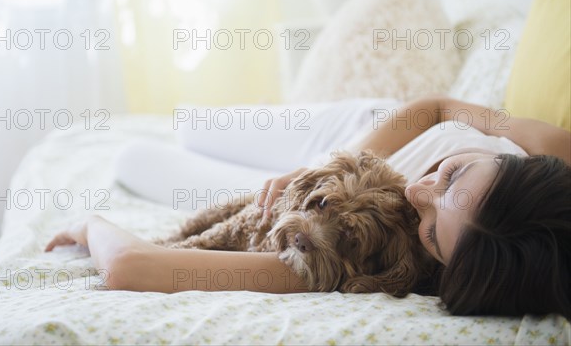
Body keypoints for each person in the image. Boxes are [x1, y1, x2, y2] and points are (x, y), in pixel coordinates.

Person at [44, 95, 571, 319]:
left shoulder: (372, 258)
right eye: (453, 173)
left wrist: (90, 223)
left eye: (433, 230)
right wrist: (334, 165)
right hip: (358, 136)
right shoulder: (555, 155)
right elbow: (436, 108)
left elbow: (132, 267)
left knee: (134, 159)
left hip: (319, 206)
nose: (417, 194)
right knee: (191, 123)